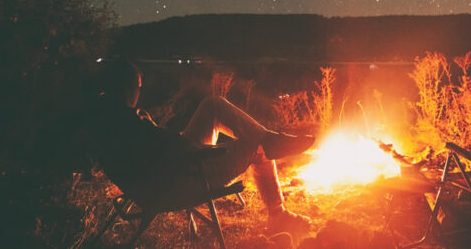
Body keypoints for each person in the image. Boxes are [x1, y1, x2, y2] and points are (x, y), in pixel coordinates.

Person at [89, 60, 314, 237]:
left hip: (164, 173)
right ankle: (278, 214)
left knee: (212, 105)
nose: (139, 93)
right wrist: (211, 150)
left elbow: (159, 147)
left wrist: (184, 143)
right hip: (183, 179)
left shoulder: (104, 117)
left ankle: (270, 139)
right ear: (128, 89)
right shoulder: (129, 122)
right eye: (138, 87)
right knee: (258, 146)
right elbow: (170, 148)